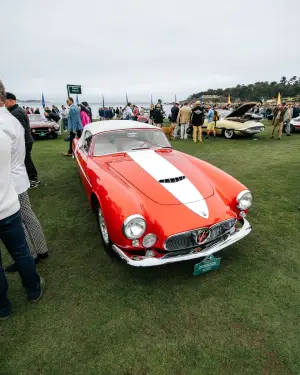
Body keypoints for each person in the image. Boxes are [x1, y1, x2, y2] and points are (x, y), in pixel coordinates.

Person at [0, 84, 45, 320]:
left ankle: (36, 253)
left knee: (24, 218)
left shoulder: (6, 123)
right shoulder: (10, 121)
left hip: (11, 181)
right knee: (27, 217)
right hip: (13, 179)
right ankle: (37, 251)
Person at [5, 92, 40, 189]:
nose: (4, 104)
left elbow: (21, 130)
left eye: (5, 101)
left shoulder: (16, 112)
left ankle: (33, 179)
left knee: (26, 160)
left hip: (24, 141)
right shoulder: (16, 110)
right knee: (25, 160)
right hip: (26, 140)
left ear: (11, 100)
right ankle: (32, 178)